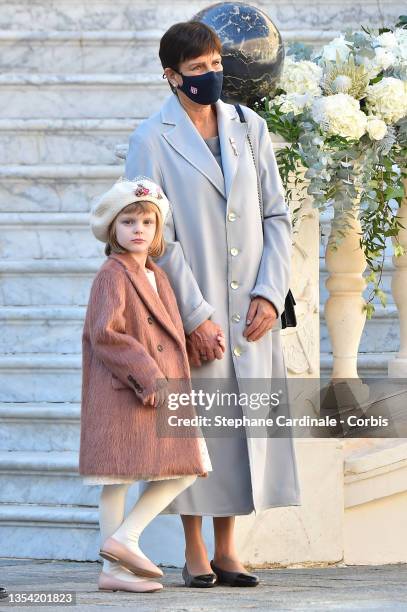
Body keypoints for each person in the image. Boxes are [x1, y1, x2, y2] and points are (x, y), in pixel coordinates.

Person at [125, 20, 301, 588]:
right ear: (171, 76)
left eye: (216, 62)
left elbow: (276, 215)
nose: (212, 75)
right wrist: (195, 314)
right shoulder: (151, 139)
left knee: (237, 427)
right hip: (186, 306)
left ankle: (229, 550)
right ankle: (194, 548)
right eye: (198, 68)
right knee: (195, 429)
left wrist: (270, 293)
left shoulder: (251, 128)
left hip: (251, 306)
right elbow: (152, 234)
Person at [79, 176, 224, 593]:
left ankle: (124, 540)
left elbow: (165, 333)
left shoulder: (158, 276)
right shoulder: (112, 274)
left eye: (146, 221)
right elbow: (105, 334)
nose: (138, 229)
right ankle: (115, 569)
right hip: (124, 390)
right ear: (113, 230)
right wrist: (147, 373)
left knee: (187, 467)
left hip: (159, 391)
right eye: (128, 222)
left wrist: (193, 350)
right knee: (116, 476)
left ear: (158, 230)